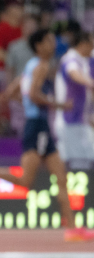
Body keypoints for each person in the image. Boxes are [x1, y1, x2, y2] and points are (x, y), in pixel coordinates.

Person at [0, 29, 94, 242]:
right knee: (26, 180)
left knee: (61, 178)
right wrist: (59, 105)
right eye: (49, 41)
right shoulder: (42, 66)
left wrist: (29, 103)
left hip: (36, 125)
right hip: (37, 127)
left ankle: (73, 229)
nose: (53, 44)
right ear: (39, 46)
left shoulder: (30, 65)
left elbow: (10, 94)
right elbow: (34, 95)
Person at [54, 32, 94, 170]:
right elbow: (73, 73)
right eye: (91, 44)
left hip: (82, 120)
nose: (92, 48)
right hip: (69, 120)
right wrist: (91, 83)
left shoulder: (84, 61)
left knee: (87, 160)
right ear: (83, 44)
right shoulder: (70, 59)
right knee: (77, 164)